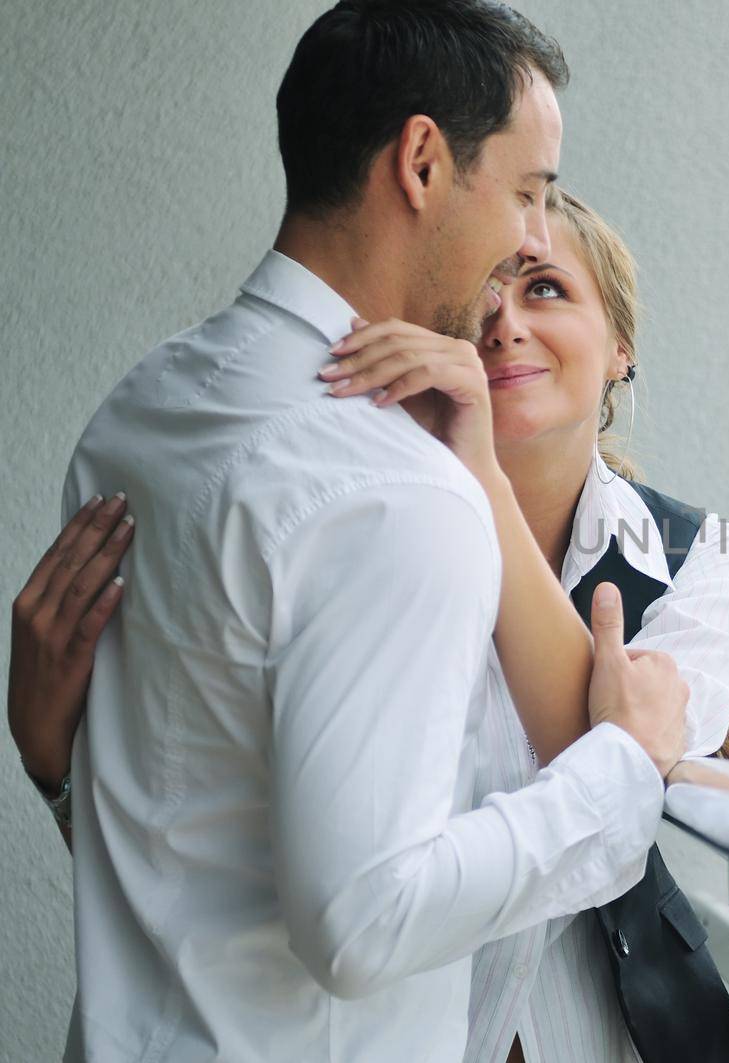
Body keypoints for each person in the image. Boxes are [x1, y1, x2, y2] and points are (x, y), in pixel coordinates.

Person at [7, 3, 693, 1060]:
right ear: (422, 161)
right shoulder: (393, 490)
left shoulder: (141, 412)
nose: (527, 235)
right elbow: (366, 918)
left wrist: (54, 762)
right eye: (525, 192)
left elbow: (177, 823)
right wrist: (625, 770)